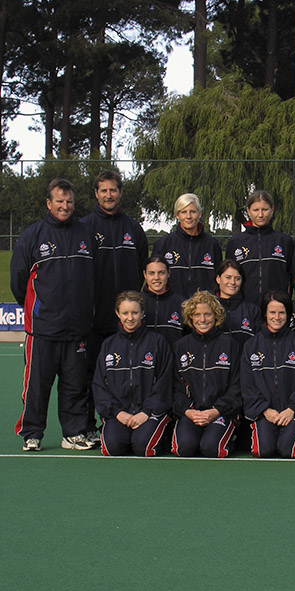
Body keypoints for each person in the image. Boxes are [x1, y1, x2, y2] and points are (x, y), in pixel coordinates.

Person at [11, 178, 95, 451]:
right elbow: (18, 280)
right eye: (59, 201)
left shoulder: (85, 233)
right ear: (49, 203)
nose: (65, 206)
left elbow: (93, 278)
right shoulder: (33, 235)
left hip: (78, 328)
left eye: (69, 202)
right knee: (37, 386)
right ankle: (32, 433)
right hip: (43, 329)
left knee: (74, 386)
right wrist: (38, 309)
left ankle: (73, 433)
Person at [80, 170, 149, 442]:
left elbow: (143, 267)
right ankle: (87, 426)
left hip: (127, 322)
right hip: (95, 320)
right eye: (104, 190)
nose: (109, 195)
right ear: (96, 194)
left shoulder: (133, 228)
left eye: (113, 190)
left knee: (129, 376)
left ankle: (124, 421)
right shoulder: (84, 227)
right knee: (88, 377)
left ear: (120, 192)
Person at [93, 291, 173, 456]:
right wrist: (117, 413)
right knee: (112, 448)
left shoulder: (157, 342)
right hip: (120, 413)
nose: (130, 318)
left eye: (135, 312)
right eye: (125, 313)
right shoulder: (109, 344)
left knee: (143, 447)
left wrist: (146, 412)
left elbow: (164, 382)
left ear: (142, 313)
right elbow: (99, 384)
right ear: (117, 313)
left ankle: (161, 433)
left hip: (148, 412)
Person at [241, 291, 295, 458]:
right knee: (263, 451)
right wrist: (264, 410)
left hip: (292, 411)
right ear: (265, 314)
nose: (277, 317)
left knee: (288, 450)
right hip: (266, 412)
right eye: (272, 312)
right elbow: (247, 387)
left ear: (288, 314)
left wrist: (292, 409)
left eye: (281, 312)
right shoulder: (251, 345)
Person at [172, 291, 241, 458]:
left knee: (211, 448)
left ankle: (234, 438)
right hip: (191, 413)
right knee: (185, 448)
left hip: (220, 413)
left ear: (216, 316)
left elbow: (237, 386)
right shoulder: (180, 346)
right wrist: (188, 411)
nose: (202, 320)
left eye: (207, 314)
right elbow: (175, 387)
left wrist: (216, 410)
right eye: (197, 315)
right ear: (190, 317)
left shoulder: (229, 344)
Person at [225, 190, 293, 301]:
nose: (260, 215)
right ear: (248, 211)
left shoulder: (284, 241)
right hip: (245, 306)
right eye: (256, 210)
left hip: (276, 308)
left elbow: (292, 277)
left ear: (272, 210)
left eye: (265, 210)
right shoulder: (235, 242)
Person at [152, 193, 222, 297]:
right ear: (177, 215)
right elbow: (154, 277)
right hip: (173, 306)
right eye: (183, 212)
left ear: (200, 214)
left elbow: (220, 279)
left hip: (203, 308)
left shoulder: (212, 244)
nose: (188, 216)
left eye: (193, 212)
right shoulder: (163, 243)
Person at [215, 259, 261, 346]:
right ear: (218, 279)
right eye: (228, 277)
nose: (232, 282)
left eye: (237, 278)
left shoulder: (252, 310)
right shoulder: (209, 308)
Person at [142, 255, 186, 346]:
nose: (156, 277)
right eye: (151, 273)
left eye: (161, 273)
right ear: (145, 275)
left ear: (168, 273)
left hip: (173, 357)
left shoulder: (181, 304)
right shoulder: (137, 302)